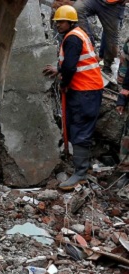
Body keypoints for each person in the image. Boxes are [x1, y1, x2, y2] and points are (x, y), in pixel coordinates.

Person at [43, 5, 104, 190]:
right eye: (56, 22)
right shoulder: (78, 34)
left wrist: (63, 80)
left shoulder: (72, 39)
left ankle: (80, 173)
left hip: (85, 90)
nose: (58, 25)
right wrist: (60, 70)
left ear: (70, 21)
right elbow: (71, 65)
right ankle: (80, 169)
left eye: (61, 22)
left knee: (80, 129)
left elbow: (70, 67)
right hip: (88, 89)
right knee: (79, 127)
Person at [73, 0, 125, 76]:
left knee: (112, 43)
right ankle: (90, 44)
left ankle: (107, 67)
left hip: (114, 6)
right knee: (77, 8)